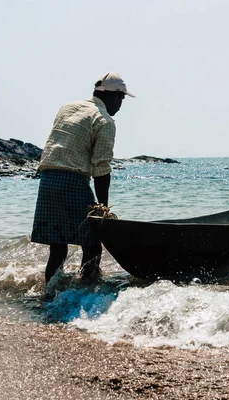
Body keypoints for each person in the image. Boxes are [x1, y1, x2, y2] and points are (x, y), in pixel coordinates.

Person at [31, 72, 135, 283]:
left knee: (58, 245)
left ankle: (50, 293)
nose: (121, 104)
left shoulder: (68, 108)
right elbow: (101, 168)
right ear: (113, 96)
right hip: (72, 181)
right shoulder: (104, 121)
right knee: (93, 244)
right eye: (121, 98)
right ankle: (86, 292)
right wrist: (103, 208)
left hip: (47, 179)